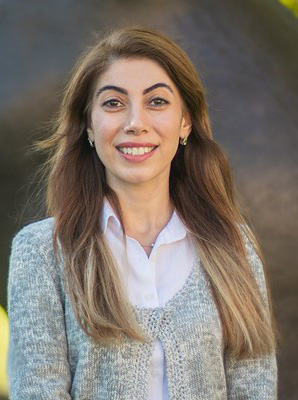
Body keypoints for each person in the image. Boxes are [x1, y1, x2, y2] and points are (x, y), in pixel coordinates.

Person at [7, 25, 278, 399]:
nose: (135, 123)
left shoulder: (233, 245)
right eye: (114, 103)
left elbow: (256, 388)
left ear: (185, 122)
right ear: (88, 123)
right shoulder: (41, 253)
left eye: (157, 102)